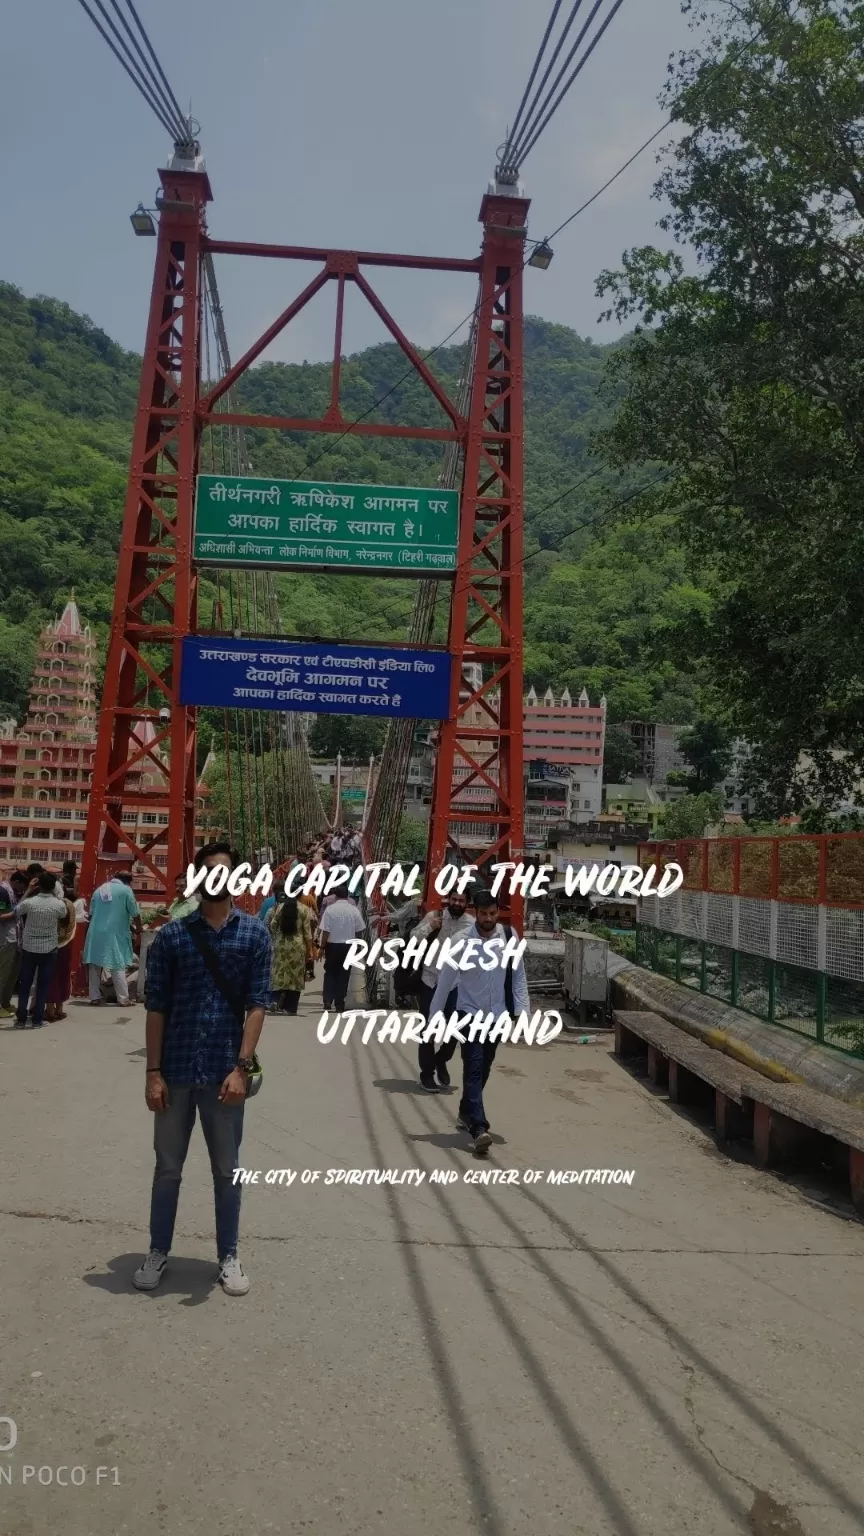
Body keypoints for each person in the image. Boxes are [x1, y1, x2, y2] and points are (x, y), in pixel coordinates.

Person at [134, 840, 271, 1297]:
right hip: (174, 1069)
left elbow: (256, 1006)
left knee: (227, 1171)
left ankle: (228, 1256)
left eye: (225, 871)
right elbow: (156, 1008)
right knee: (167, 1169)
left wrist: (241, 1067)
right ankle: (157, 1250)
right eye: (208, 872)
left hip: (223, 1074)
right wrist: (152, 1072)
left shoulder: (255, 935)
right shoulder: (172, 936)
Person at [428, 889, 529, 1155]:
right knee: (473, 1066)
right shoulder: (461, 941)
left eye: (493, 913)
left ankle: (465, 1111)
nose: (488, 918)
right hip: (468, 1014)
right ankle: (478, 1128)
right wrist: (433, 1018)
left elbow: (518, 976)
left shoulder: (509, 936)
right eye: (483, 914)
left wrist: (522, 1013)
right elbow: (445, 983)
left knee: (484, 1067)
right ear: (476, 913)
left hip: (496, 1015)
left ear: (497, 912)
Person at [412, 890, 474, 1092]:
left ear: (467, 903)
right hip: (430, 979)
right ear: (449, 899)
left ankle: (441, 1060)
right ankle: (427, 1075)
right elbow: (413, 938)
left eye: (461, 900)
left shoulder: (471, 925)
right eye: (454, 899)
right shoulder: (435, 916)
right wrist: (429, 927)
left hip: (455, 983)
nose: (456, 903)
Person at [14, 872, 74, 1029]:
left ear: (38, 885)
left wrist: (28, 890)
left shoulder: (30, 902)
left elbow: (17, 910)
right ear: (54, 886)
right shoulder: (59, 905)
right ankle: (37, 1020)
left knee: (25, 984)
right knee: (43, 985)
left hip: (29, 948)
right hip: (49, 949)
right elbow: (63, 914)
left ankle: (21, 1019)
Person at [83, 871, 141, 1006]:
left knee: (95, 964)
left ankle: (94, 997)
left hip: (95, 931)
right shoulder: (126, 890)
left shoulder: (100, 890)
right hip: (114, 933)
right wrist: (138, 929)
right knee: (117, 963)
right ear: (128, 882)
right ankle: (123, 999)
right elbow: (135, 912)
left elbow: (91, 914)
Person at [267, 896, 315, 1014]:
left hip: (280, 944)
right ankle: (289, 1008)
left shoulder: (280, 907)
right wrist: (310, 950)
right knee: (295, 976)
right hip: (297, 946)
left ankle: (274, 999)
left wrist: (277, 936)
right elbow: (307, 933)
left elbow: (272, 924)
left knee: (279, 972)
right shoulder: (304, 910)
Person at [319, 891, 365, 1010]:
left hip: (332, 946)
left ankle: (328, 1000)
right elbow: (359, 930)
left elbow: (325, 931)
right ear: (347, 896)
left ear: (336, 896)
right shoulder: (354, 910)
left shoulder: (330, 910)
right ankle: (340, 1003)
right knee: (344, 974)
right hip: (349, 947)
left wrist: (322, 947)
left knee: (330, 972)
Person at [44, 867, 77, 1022]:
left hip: (46, 945)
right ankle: (59, 1009)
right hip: (65, 945)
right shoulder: (68, 904)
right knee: (63, 976)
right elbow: (71, 926)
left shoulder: (46, 904)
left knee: (49, 977)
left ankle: (49, 1010)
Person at [0, 869, 25, 1018]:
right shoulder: (3, 891)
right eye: (22, 886)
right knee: (3, 974)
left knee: (12, 975)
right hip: (5, 938)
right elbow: (1, 915)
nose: (22, 890)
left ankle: (5, 1003)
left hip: (15, 938)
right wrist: (27, 893)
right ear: (16, 882)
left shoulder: (14, 893)